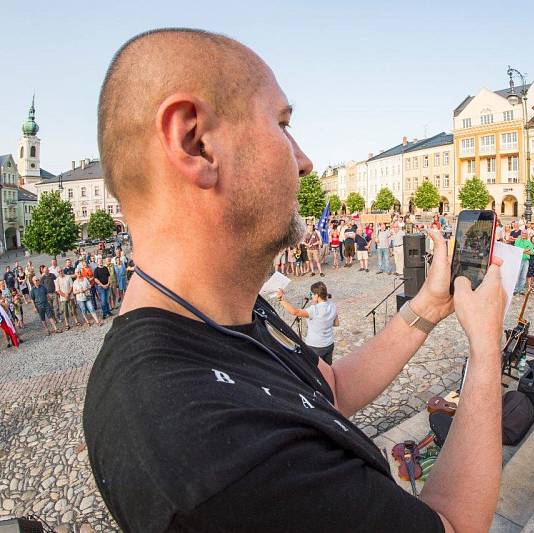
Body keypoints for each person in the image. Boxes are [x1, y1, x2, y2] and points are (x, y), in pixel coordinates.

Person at [84, 29, 508, 533]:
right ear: (196, 142)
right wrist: (486, 349)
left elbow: (328, 390)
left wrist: (428, 309)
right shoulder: (225, 458)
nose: (305, 161)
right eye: (282, 125)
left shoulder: (216, 314)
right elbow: (456, 526)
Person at [276, 282, 339, 365]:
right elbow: (336, 323)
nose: (311, 296)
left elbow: (295, 312)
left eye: (311, 294)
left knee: (315, 371)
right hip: (329, 344)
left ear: (316, 295)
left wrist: (281, 298)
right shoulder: (332, 305)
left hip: (315, 346)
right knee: (327, 368)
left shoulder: (313, 310)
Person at [514, 229, 534, 295]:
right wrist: (526, 250)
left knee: (523, 276)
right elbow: (517, 250)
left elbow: (532, 252)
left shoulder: (529, 242)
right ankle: (515, 289)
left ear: (527, 235)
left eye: (525, 233)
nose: (524, 234)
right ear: (521, 233)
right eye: (523, 233)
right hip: (519, 260)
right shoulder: (517, 241)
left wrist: (522, 250)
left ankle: (521, 289)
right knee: (517, 275)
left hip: (526, 261)